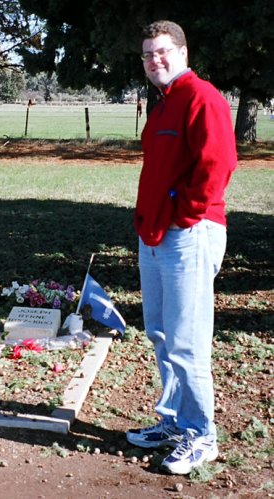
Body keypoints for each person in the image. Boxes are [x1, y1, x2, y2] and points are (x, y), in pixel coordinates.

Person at [127, 21, 237, 475]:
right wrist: (150, 221)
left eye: (164, 51)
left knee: (187, 342)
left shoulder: (202, 97)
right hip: (154, 235)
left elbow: (219, 165)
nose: (156, 60)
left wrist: (183, 215)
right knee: (161, 333)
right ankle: (174, 422)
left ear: (184, 52)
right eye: (149, 54)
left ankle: (201, 435)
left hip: (189, 235)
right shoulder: (163, 105)